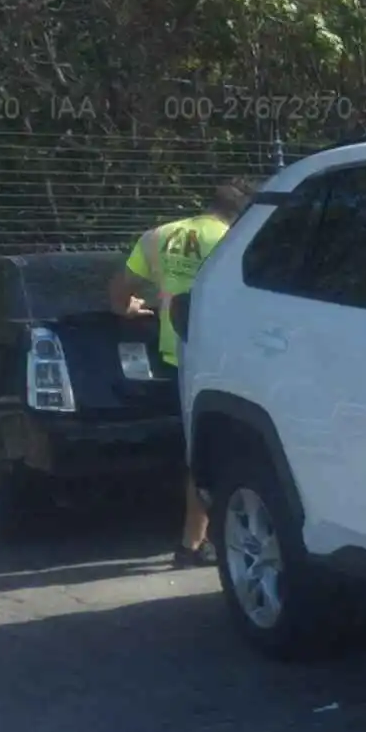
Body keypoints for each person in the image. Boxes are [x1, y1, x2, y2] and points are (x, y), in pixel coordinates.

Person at [110, 178, 254, 567]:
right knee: (208, 448)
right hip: (224, 352)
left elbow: (119, 292)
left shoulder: (160, 236)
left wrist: (131, 308)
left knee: (200, 442)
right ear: (240, 213)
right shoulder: (236, 238)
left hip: (178, 350)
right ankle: (192, 544)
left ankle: (205, 535)